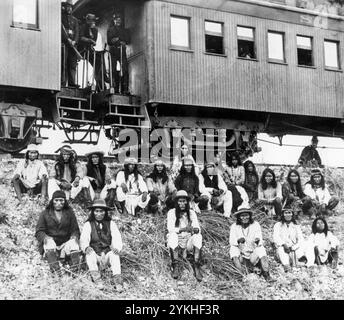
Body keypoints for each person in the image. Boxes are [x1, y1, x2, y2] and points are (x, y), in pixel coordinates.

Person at [80, 199, 123, 291]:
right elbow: (84, 239)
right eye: (97, 211)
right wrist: (86, 247)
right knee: (90, 254)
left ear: (105, 212)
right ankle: (98, 281)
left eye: (102, 211)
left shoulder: (111, 224)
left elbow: (117, 237)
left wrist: (117, 248)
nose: (99, 214)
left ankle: (118, 283)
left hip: (106, 254)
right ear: (93, 212)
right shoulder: (88, 224)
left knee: (115, 255)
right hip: (95, 255)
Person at [35, 190, 81, 275]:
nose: (59, 203)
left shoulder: (70, 213)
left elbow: (75, 230)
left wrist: (74, 237)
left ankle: (74, 271)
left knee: (74, 243)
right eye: (56, 200)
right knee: (49, 243)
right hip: (51, 244)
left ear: (65, 201)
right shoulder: (45, 213)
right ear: (52, 201)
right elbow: (39, 231)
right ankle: (56, 271)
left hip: (65, 244)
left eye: (61, 200)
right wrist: (46, 237)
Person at [167, 190, 203, 281]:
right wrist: (183, 229)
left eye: (184, 201)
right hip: (177, 242)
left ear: (187, 202)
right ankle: (175, 265)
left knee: (198, 236)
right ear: (176, 202)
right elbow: (170, 228)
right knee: (172, 235)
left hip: (188, 242)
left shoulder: (191, 213)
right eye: (180, 201)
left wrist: (195, 229)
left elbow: (197, 228)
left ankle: (196, 265)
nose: (182, 204)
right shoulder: (171, 212)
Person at [229, 208, 272, 281]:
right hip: (241, 255)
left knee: (261, 249)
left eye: (246, 215)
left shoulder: (255, 224)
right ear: (239, 217)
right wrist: (238, 241)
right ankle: (240, 274)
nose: (244, 218)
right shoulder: (234, 226)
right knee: (233, 249)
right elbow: (231, 241)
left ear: (250, 216)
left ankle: (266, 274)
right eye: (242, 216)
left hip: (252, 255)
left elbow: (259, 239)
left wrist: (257, 241)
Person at [78, 13, 104, 90]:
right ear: (87, 21)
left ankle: (99, 84)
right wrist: (89, 40)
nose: (93, 22)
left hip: (91, 51)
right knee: (83, 67)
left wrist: (91, 41)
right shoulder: (83, 27)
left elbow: (94, 41)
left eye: (94, 21)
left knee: (98, 63)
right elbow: (81, 38)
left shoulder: (95, 30)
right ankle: (84, 84)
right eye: (91, 21)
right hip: (82, 51)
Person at [107, 12, 130, 94]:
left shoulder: (124, 30)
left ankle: (125, 89)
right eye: (116, 19)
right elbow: (110, 41)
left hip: (122, 52)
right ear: (114, 20)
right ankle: (114, 88)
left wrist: (118, 39)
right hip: (113, 51)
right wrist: (120, 40)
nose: (118, 21)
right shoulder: (110, 30)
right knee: (113, 70)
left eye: (119, 20)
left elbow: (127, 40)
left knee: (125, 70)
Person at [61, 0, 79, 87]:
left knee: (72, 64)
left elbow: (77, 32)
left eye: (71, 7)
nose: (69, 9)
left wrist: (74, 41)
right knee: (63, 63)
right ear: (65, 8)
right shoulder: (61, 18)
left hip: (73, 45)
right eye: (68, 7)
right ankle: (63, 82)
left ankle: (72, 83)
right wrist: (67, 39)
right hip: (65, 44)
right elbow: (61, 30)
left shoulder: (75, 20)